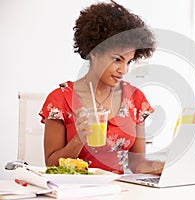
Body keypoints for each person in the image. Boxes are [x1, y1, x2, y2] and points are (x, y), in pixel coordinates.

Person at [39, 0, 164, 175]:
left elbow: (138, 164)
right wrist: (79, 139)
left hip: (118, 191)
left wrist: (172, 168)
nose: (124, 70)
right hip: (76, 191)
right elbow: (51, 166)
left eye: (129, 62)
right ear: (94, 52)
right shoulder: (59, 100)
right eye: (117, 59)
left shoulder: (135, 99)